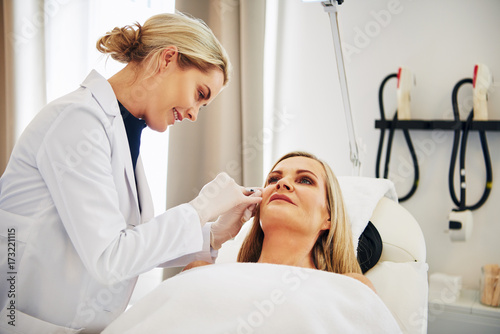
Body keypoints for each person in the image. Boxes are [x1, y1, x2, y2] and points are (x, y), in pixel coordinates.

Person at [0, 13, 261, 333]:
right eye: (200, 94)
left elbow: (132, 244)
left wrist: (216, 234)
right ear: (167, 59)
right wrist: (201, 207)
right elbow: (111, 257)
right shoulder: (79, 120)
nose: (194, 114)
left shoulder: (122, 133)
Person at [184, 151, 374, 290]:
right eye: (273, 179)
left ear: (329, 218)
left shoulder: (351, 288)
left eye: (305, 180)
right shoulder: (201, 274)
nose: (282, 184)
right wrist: (215, 234)